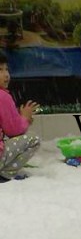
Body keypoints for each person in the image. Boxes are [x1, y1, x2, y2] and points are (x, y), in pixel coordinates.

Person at [0, 52, 40, 182]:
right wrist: (25, 118)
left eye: (7, 69)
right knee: (33, 140)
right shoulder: (3, 96)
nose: (6, 74)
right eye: (0, 70)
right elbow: (14, 131)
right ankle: (4, 175)